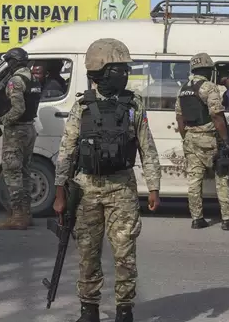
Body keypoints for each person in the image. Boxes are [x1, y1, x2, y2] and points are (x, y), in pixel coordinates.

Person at [52, 38, 161, 322]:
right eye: (119, 68)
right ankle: (89, 311)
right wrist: (60, 193)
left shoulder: (133, 104)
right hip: (86, 190)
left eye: (125, 69)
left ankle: (125, 311)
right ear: (101, 71)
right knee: (87, 254)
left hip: (122, 188)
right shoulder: (82, 107)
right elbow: (67, 150)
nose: (124, 74)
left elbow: (146, 147)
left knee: (125, 254)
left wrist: (153, 187)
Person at [175, 53, 229, 230]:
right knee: (222, 177)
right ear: (208, 70)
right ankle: (227, 219)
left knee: (194, 181)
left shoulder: (183, 89)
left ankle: (197, 219)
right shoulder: (209, 87)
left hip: (190, 138)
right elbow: (217, 116)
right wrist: (226, 141)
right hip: (209, 139)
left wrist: (186, 138)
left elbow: (179, 119)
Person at [0, 47, 42, 230]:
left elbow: (18, 109)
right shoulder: (33, 79)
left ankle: (18, 216)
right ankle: (26, 213)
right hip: (29, 128)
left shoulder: (16, 81)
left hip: (16, 131)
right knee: (25, 172)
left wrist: (1, 120)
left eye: (9, 62)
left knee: (12, 171)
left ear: (14, 62)